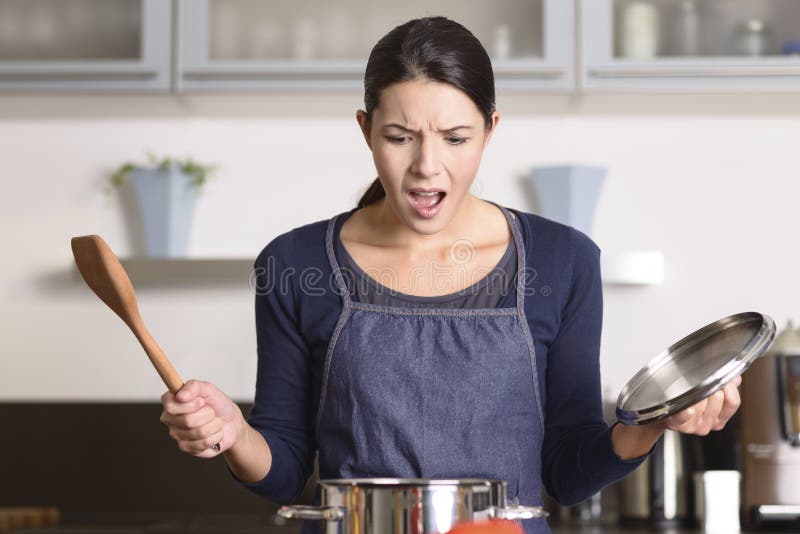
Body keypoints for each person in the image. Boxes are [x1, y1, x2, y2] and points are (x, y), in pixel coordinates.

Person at [159, 16, 742, 534]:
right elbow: (284, 470)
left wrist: (652, 423)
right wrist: (235, 434)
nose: (426, 167)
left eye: (456, 138)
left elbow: (566, 472)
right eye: (399, 137)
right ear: (365, 129)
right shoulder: (294, 264)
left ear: (491, 128)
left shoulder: (562, 261)